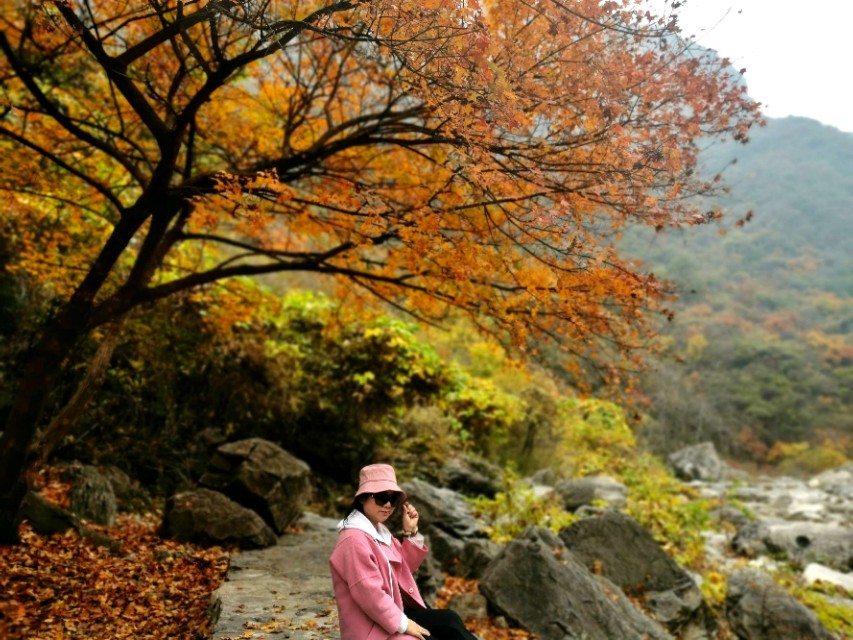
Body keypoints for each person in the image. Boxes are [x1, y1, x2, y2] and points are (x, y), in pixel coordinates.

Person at [329, 463, 479, 640]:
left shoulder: (379, 531)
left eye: (393, 499)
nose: (388, 505)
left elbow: (402, 569)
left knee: (449, 620)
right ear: (362, 498)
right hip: (371, 628)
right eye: (381, 497)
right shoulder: (354, 540)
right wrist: (404, 624)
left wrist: (411, 532)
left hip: (392, 614)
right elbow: (370, 595)